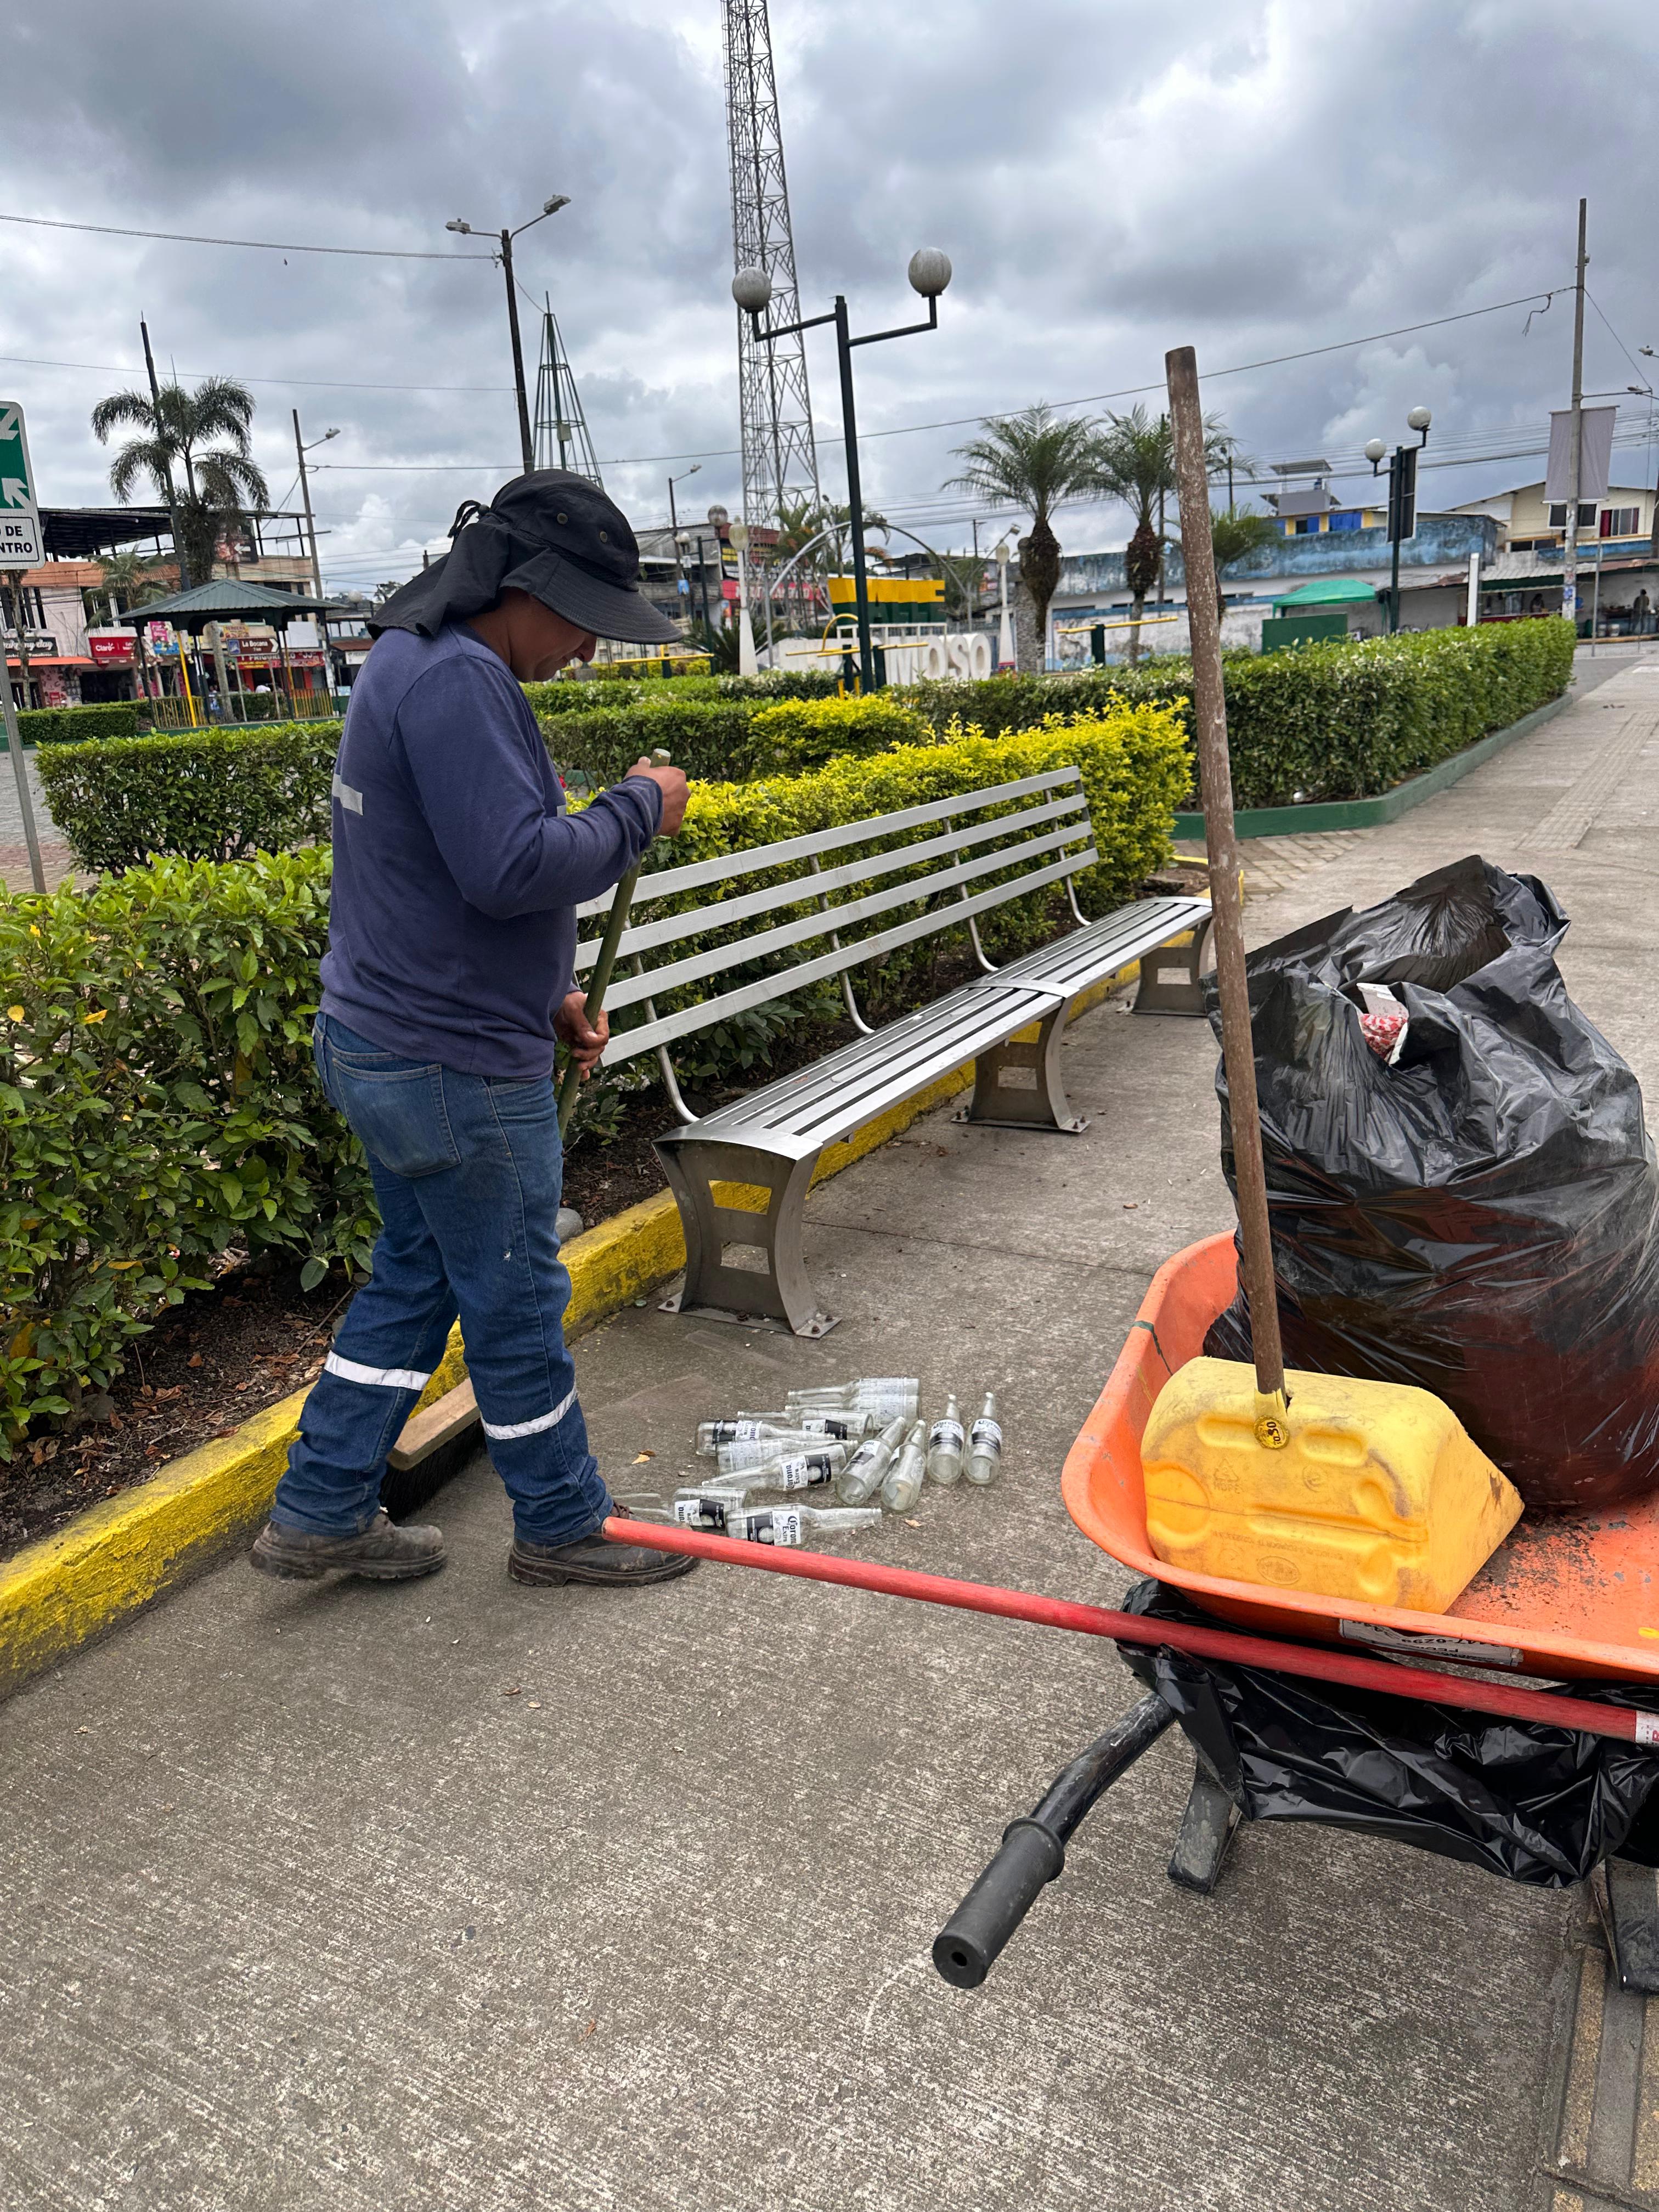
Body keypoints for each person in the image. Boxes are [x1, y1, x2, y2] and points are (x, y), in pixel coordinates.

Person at [251, 472, 693, 1593]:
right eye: (583, 622)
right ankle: (562, 1522)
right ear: (522, 587)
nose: (587, 650)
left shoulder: (412, 659)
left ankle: (320, 1506)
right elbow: (511, 868)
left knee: (416, 1277)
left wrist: (546, 997)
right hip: (451, 1070)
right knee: (515, 1299)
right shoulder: (457, 682)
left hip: (389, 1040)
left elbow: (440, 880)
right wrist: (638, 808)